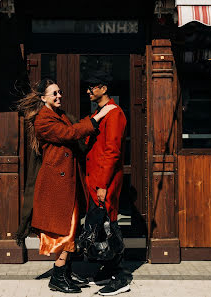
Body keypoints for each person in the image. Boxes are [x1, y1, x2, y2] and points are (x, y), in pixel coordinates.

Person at [16, 78, 116, 294]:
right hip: (56, 183)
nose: (59, 96)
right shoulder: (43, 119)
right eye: (54, 94)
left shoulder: (58, 115)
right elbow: (69, 134)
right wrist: (97, 117)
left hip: (66, 181)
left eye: (60, 92)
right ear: (43, 98)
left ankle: (65, 272)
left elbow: (74, 129)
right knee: (66, 231)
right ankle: (58, 277)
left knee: (70, 228)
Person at [84, 72, 129, 296]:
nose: (88, 91)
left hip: (105, 181)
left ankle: (120, 276)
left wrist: (102, 184)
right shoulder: (101, 112)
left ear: (103, 88)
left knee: (111, 225)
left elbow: (112, 152)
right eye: (88, 88)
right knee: (102, 225)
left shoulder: (114, 113)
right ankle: (109, 269)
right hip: (97, 180)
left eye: (92, 87)